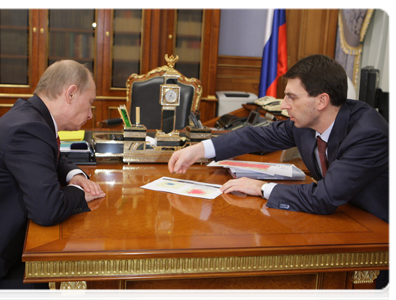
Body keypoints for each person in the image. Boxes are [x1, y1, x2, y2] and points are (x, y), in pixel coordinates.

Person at [168, 54, 392, 295]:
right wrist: (200, 149)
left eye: (292, 97)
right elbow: (255, 135)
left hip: (375, 245)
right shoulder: (305, 125)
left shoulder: (368, 134)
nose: (284, 104)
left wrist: (261, 188)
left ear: (321, 101)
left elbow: (323, 198)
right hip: (338, 222)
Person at [0, 60, 106, 300]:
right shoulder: (29, 128)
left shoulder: (29, 116)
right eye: (90, 103)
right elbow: (48, 209)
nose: (90, 114)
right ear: (71, 93)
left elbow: (49, 156)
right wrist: (80, 194)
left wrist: (74, 174)